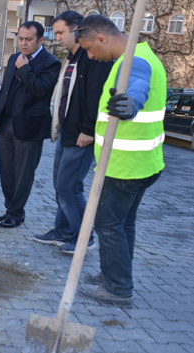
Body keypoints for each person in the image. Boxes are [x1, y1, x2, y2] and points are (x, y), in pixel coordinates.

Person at [74, 15, 166, 307]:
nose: (90, 55)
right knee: (123, 224)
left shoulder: (133, 62)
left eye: (89, 48)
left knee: (108, 224)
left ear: (101, 38)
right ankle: (113, 274)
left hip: (125, 166)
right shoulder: (144, 54)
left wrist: (131, 103)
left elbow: (137, 86)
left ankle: (117, 288)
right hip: (144, 163)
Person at [32, 11, 112, 254]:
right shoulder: (71, 58)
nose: (56, 37)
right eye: (54, 33)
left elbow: (97, 96)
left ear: (76, 30)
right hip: (66, 133)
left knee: (69, 186)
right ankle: (63, 230)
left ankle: (83, 236)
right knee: (60, 184)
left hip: (81, 136)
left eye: (60, 32)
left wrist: (88, 129)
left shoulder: (92, 58)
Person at [0, 21, 61, 228]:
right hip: (6, 123)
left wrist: (25, 68)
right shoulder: (13, 58)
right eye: (20, 38)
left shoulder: (51, 63)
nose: (23, 43)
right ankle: (9, 209)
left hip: (30, 128)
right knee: (7, 171)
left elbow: (40, 89)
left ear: (41, 40)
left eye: (28, 39)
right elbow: (5, 90)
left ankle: (16, 214)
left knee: (23, 174)